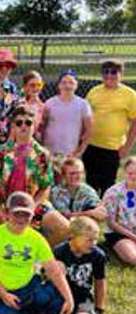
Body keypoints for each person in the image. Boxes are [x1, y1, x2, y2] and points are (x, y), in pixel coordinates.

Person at [0, 191, 74, 314]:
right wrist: (4, 295)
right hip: (1, 289)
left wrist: (69, 298)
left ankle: (32, 308)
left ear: (33, 215)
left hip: (28, 285)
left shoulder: (36, 238)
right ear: (7, 213)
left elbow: (53, 269)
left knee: (60, 307)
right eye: (17, 213)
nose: (22, 219)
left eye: (26, 214)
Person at [0, 104, 69, 247]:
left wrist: (31, 208)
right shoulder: (0, 152)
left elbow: (45, 187)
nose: (24, 126)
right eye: (19, 123)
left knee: (65, 229)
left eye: (28, 123)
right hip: (7, 207)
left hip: (34, 205)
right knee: (11, 246)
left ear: (34, 126)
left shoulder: (42, 154)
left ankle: (39, 258)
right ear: (13, 127)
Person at [83, 60, 136, 196]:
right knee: (91, 184)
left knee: (108, 186)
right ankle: (92, 213)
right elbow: (85, 117)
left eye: (113, 72)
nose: (109, 75)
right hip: (92, 146)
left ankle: (108, 214)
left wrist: (126, 148)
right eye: (106, 72)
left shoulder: (129, 95)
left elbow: (135, 122)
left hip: (113, 148)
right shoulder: (94, 91)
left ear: (121, 74)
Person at [53, 216, 106, 314]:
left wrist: (99, 310)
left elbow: (100, 282)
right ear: (73, 236)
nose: (93, 244)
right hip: (60, 297)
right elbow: (49, 281)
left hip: (82, 298)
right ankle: (56, 313)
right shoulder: (59, 252)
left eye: (95, 239)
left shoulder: (97, 255)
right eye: (89, 240)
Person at [102, 156, 136, 266]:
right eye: (130, 173)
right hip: (119, 233)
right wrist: (133, 237)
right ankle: (118, 246)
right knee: (132, 258)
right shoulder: (113, 192)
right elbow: (111, 223)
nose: (134, 176)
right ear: (125, 173)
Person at [50, 158, 106, 223]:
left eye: (79, 173)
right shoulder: (56, 192)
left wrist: (99, 211)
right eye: (72, 173)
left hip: (82, 227)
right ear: (63, 175)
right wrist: (89, 213)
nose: (76, 176)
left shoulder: (88, 191)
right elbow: (64, 216)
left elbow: (99, 211)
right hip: (60, 226)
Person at [19, 70, 45, 137]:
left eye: (39, 85)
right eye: (32, 85)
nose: (36, 88)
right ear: (25, 87)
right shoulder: (19, 105)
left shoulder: (43, 107)